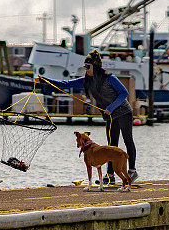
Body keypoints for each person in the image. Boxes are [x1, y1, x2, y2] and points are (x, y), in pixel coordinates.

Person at [38, 49, 138, 184]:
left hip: (124, 112)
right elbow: (65, 84)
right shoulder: (86, 80)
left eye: (87, 66)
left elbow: (124, 93)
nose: (85, 69)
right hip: (110, 116)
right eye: (84, 66)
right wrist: (44, 80)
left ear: (95, 67)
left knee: (128, 141)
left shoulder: (110, 78)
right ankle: (110, 176)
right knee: (112, 145)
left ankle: (132, 171)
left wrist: (111, 108)